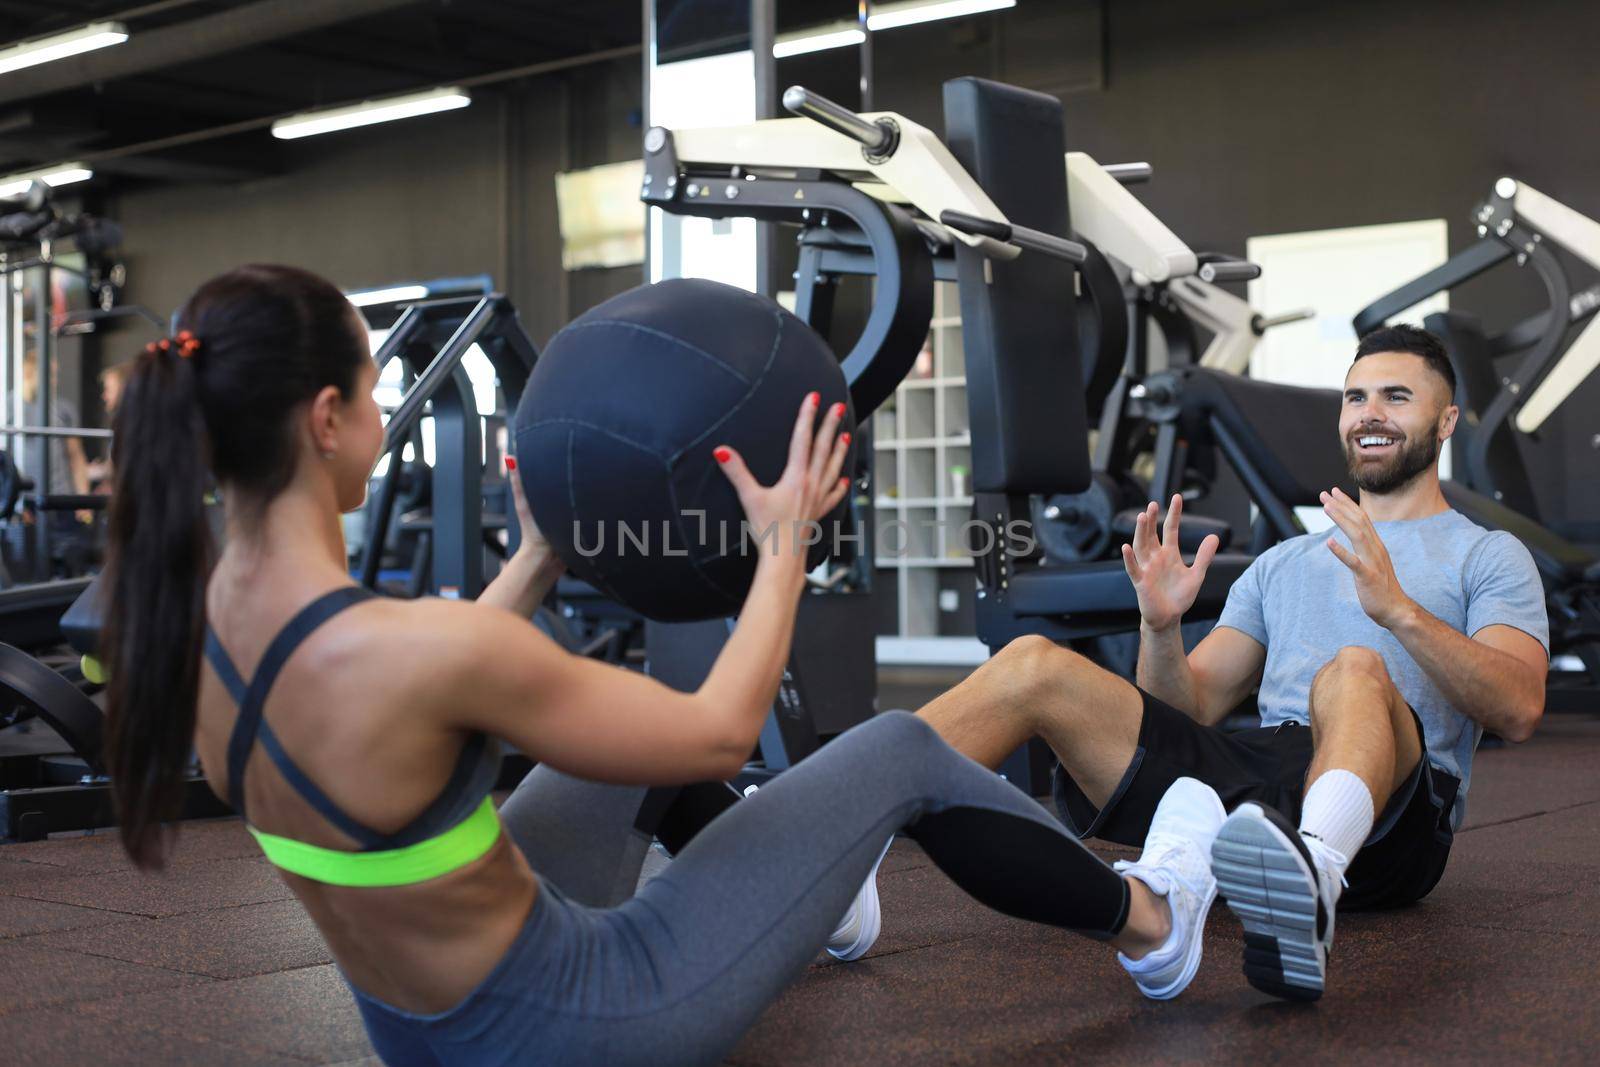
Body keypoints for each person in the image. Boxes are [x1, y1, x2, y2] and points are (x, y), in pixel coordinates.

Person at [102, 265, 1228, 1067]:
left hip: (420, 1027)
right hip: (587, 1022)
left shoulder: (192, 627)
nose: (389, 416)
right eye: (376, 393)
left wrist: (540, 553)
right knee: (897, 747)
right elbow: (719, 736)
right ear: (327, 418)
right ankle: (1153, 924)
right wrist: (783, 545)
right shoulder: (418, 648)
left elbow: (422, 683)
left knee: (608, 759)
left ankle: (821, 907)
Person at [909, 324, 1549, 1001]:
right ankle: (849, 821)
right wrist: (1160, 629)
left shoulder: (1487, 554)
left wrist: (1398, 610)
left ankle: (1315, 879)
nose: (1370, 414)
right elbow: (1186, 712)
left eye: (1397, 396)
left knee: (1354, 665)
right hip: (1257, 783)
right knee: (1032, 662)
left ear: (1446, 419)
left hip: (1393, 817)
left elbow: (1519, 706)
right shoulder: (1283, 562)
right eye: (1356, 397)